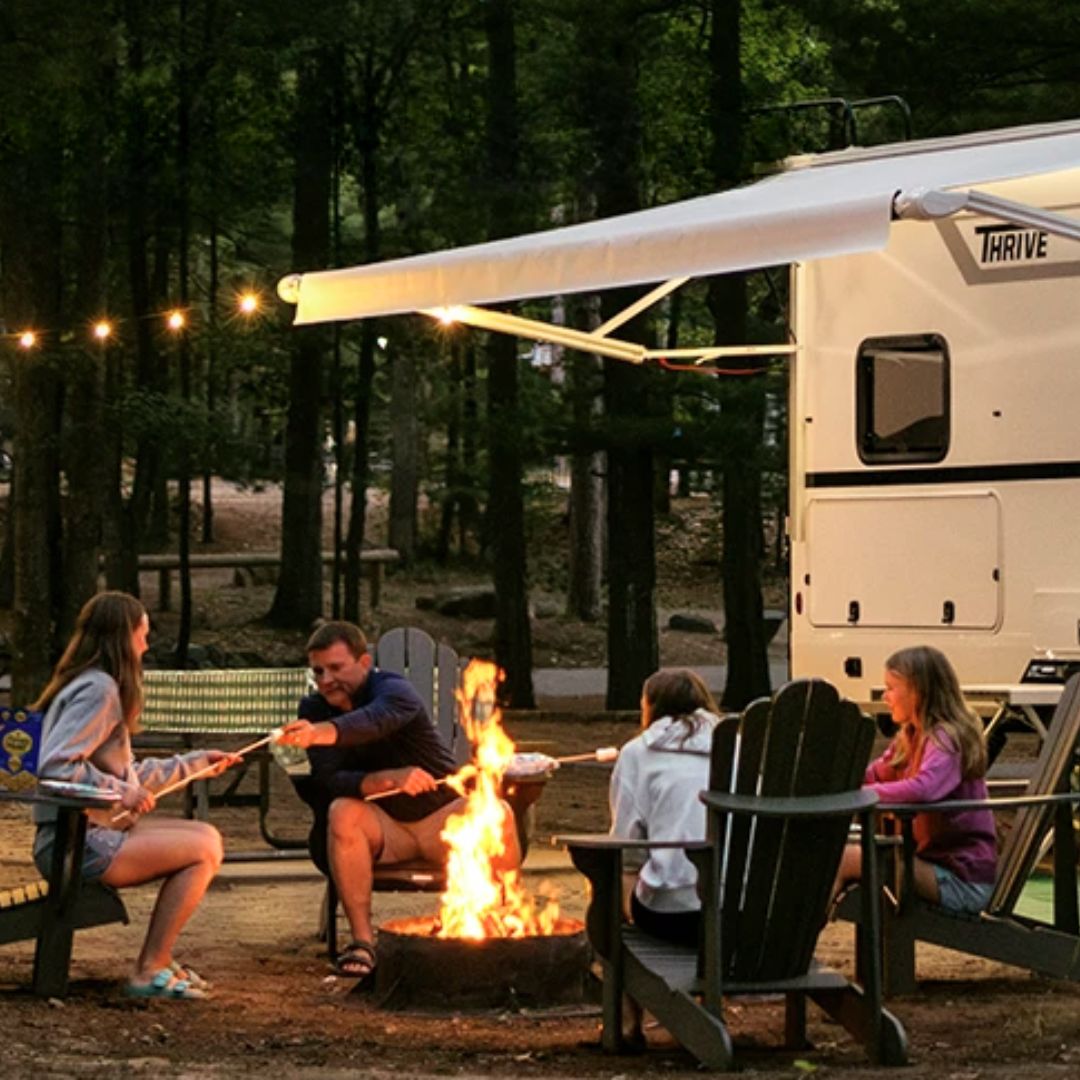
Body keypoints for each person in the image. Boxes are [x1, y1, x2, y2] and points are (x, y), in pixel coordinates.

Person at [276, 621, 520, 980]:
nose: (326, 679)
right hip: (384, 829)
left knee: (496, 811)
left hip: (443, 821)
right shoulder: (313, 708)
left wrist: (321, 733)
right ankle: (363, 942)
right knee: (342, 811)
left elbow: (375, 720)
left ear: (364, 662)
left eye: (336, 668)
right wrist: (384, 780)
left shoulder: (393, 690)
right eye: (318, 671)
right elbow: (328, 781)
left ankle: (503, 924)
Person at [31, 591, 240, 1000]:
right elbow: (56, 766)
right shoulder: (99, 690)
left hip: (81, 833)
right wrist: (121, 793)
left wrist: (196, 764)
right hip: (73, 844)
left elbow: (129, 775)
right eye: (142, 634)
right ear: (123, 637)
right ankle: (149, 969)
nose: (145, 645)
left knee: (204, 836)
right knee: (204, 848)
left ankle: (158, 960)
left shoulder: (93, 683)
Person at [835, 645, 997, 913]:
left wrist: (863, 795)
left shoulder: (946, 738)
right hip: (931, 867)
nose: (885, 696)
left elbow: (924, 789)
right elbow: (874, 774)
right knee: (835, 852)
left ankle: (797, 939)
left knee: (844, 859)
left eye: (891, 687)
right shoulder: (910, 736)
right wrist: (834, 779)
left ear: (918, 691)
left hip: (961, 880)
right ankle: (800, 937)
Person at [609, 667, 722, 947]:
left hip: (671, 916)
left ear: (650, 707)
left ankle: (618, 965)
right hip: (739, 914)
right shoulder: (739, 746)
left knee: (612, 876)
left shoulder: (638, 753)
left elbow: (627, 844)